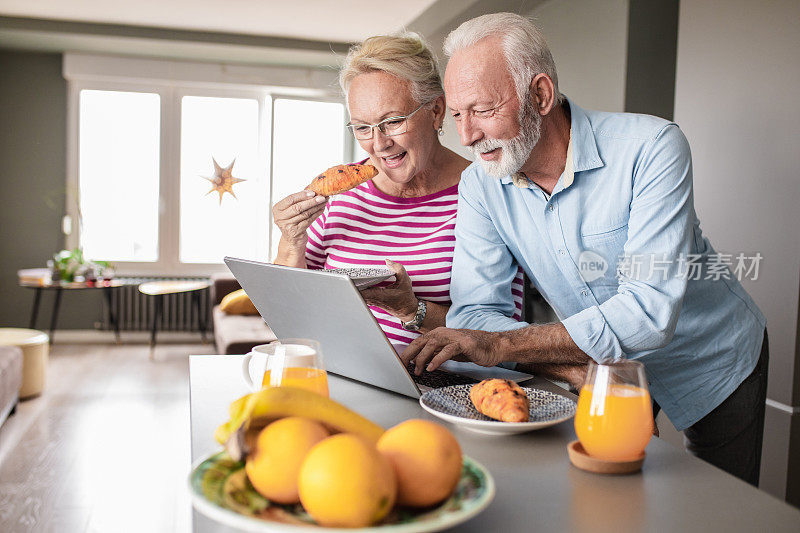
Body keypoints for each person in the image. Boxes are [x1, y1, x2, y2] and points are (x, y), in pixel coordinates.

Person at [401, 13, 768, 485]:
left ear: (540, 94)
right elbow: (475, 314)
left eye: (484, 110)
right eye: (457, 114)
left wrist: (502, 343)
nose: (468, 135)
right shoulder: (480, 186)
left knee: (724, 507)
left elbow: (647, 310)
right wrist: (573, 367)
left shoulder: (652, 148)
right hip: (597, 367)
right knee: (612, 498)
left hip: (713, 356)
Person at [272, 32, 524, 349]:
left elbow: (503, 335)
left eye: (392, 121)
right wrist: (291, 240)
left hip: (441, 385)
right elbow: (288, 308)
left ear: (436, 110)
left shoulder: (486, 192)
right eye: (362, 127)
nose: (378, 144)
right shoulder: (342, 194)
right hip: (340, 372)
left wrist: (411, 309)